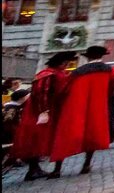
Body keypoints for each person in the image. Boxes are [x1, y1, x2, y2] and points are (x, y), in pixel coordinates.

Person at [49, 45, 114, 177]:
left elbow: (64, 89)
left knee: (65, 134)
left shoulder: (77, 72)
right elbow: (112, 88)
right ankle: (86, 164)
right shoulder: (110, 70)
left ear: (88, 57)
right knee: (92, 134)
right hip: (97, 105)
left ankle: (57, 168)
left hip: (75, 105)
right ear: (101, 56)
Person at [11, 52, 75, 181]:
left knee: (36, 139)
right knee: (37, 139)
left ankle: (35, 169)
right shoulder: (49, 74)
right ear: (62, 63)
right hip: (45, 111)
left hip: (47, 110)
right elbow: (43, 93)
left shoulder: (50, 73)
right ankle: (35, 169)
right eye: (66, 63)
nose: (67, 65)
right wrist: (44, 111)